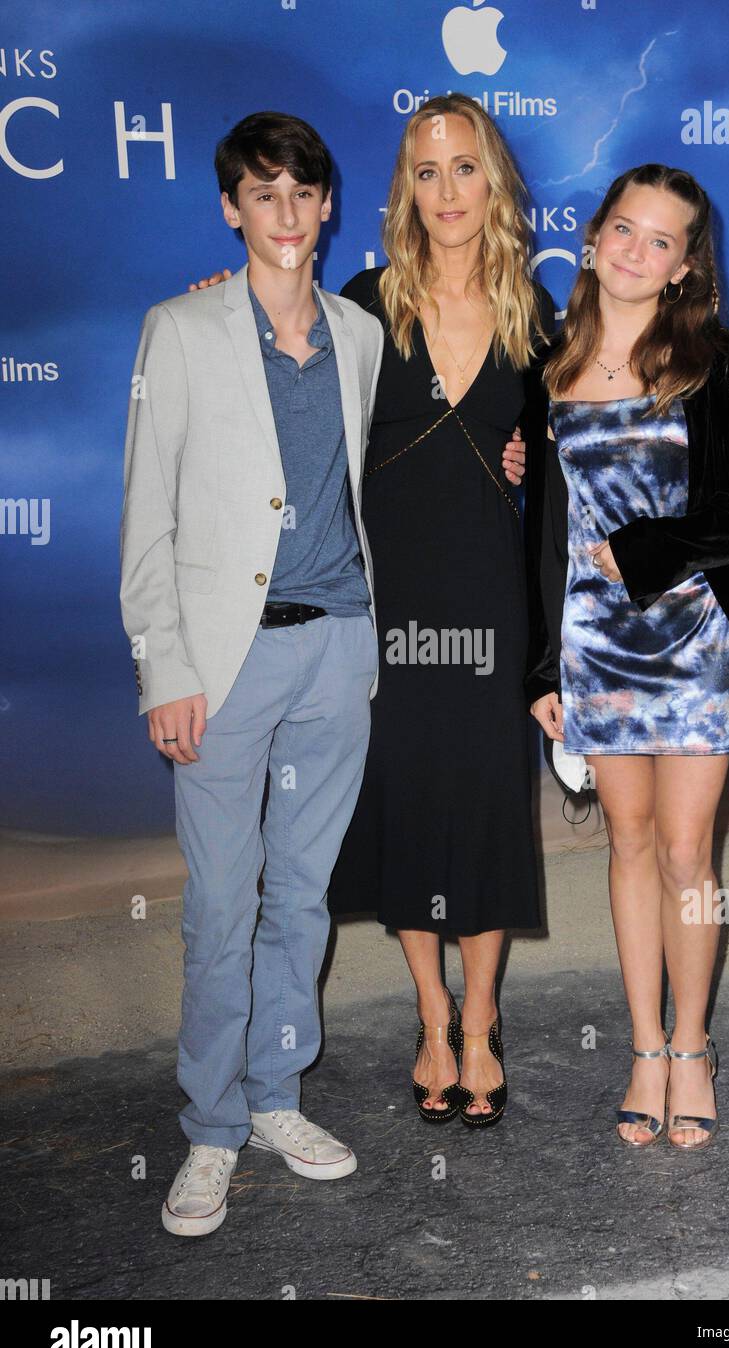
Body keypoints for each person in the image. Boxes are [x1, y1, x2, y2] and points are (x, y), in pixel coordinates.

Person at [119, 111, 384, 1235]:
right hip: (222, 666)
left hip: (339, 646)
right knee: (222, 905)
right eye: (261, 193)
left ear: (328, 206)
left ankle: (277, 1096)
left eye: (303, 192)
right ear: (232, 209)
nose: (285, 213)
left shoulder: (362, 336)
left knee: (304, 898)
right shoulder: (178, 330)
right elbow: (148, 515)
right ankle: (212, 1127)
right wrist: (162, 669)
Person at [528, 163, 729, 1149]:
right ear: (593, 236)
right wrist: (537, 669)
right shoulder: (546, 366)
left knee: (688, 853)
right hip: (593, 645)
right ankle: (642, 1047)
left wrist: (646, 550)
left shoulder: (718, 359)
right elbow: (534, 533)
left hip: (692, 639)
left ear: (686, 265)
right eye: (623, 229)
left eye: (661, 240)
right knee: (628, 847)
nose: (637, 251)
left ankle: (691, 1047)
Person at [326, 94, 555, 1127]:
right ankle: (431, 1016)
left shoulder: (533, 311)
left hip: (489, 591)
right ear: (405, 188)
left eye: (465, 168)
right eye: (427, 171)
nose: (447, 190)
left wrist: (522, 460)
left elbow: (552, 467)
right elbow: (286, 370)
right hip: (395, 596)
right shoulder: (365, 300)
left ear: (491, 180)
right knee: (410, 802)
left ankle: (482, 1020)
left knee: (490, 803)